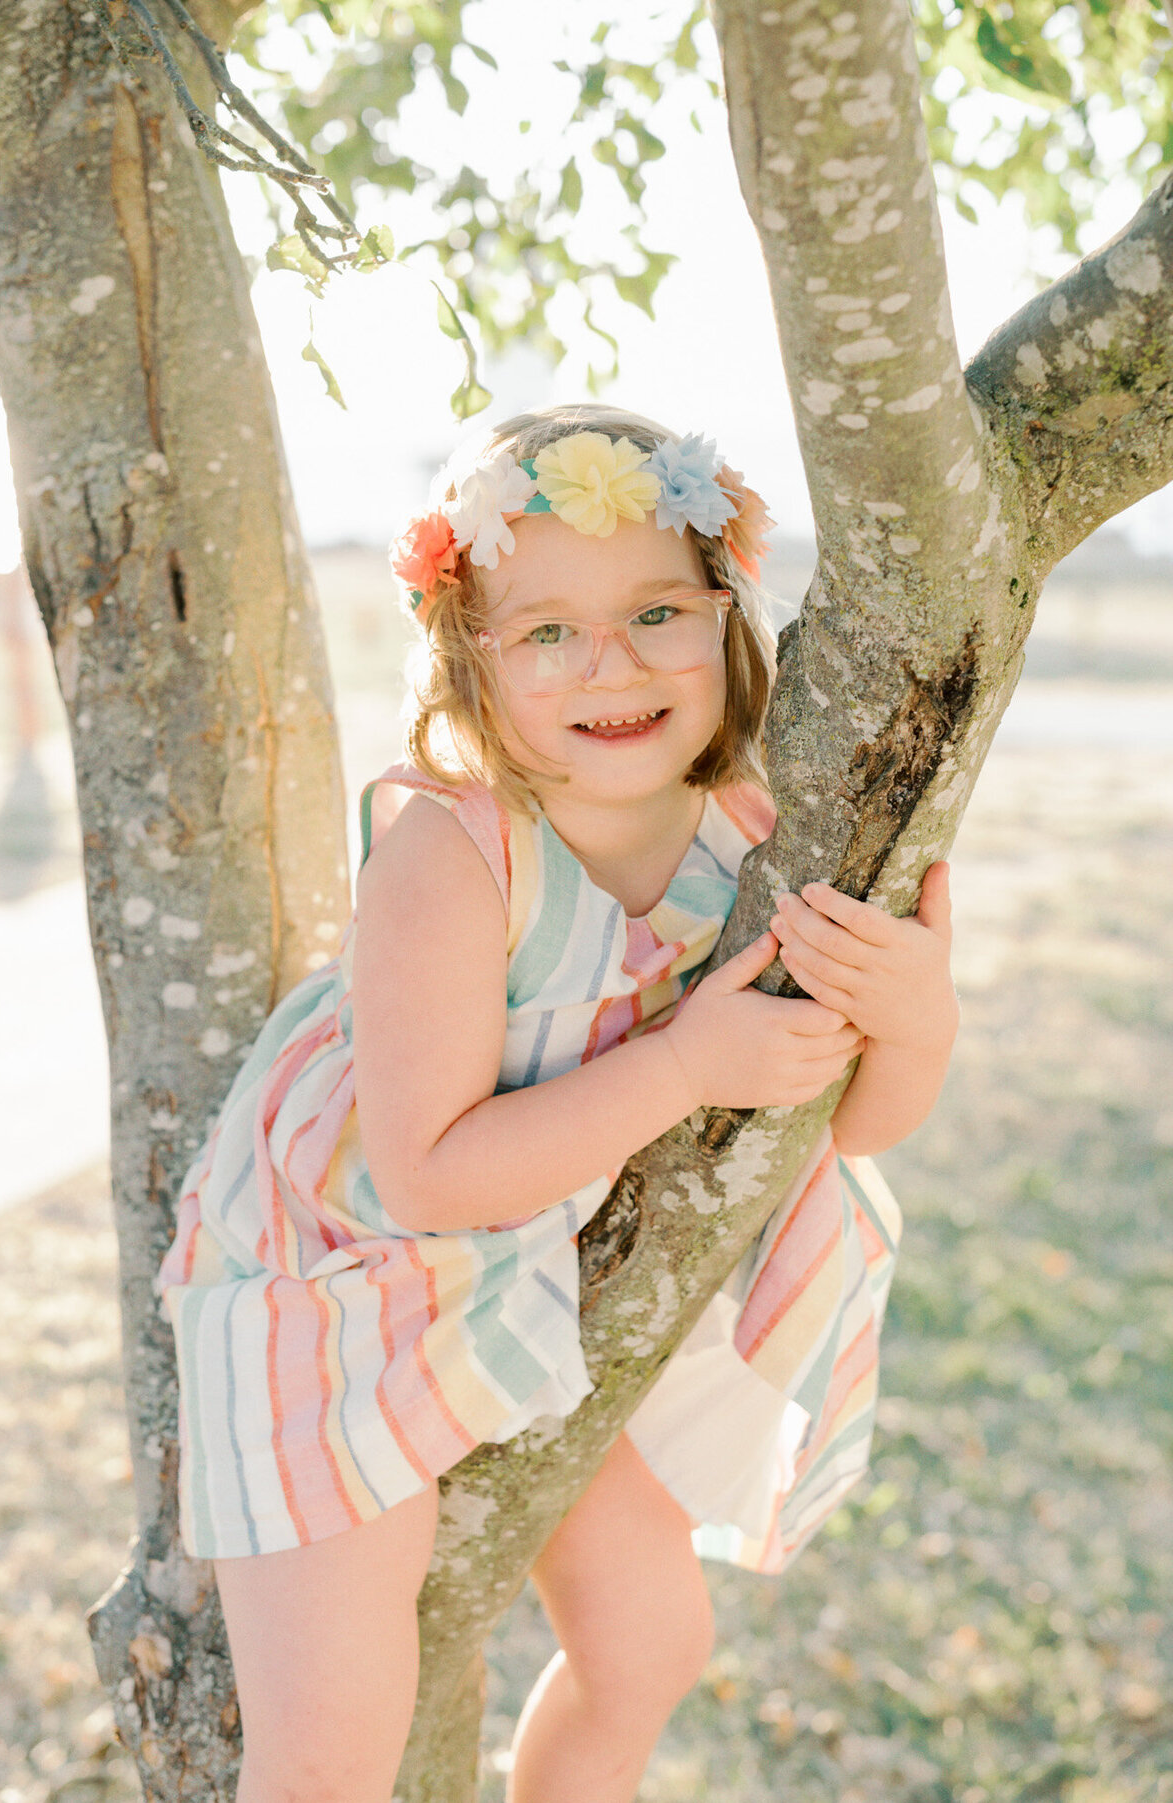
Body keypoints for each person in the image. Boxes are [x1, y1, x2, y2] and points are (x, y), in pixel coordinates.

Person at [158, 403, 959, 1803]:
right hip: (342, 1287)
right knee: (331, 1752)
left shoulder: (763, 838)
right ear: (471, 654)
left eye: (658, 610)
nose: (611, 664)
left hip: (551, 1265)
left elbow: (850, 1126)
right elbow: (425, 1176)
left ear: (728, 619)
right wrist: (681, 1070)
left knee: (653, 1641)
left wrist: (918, 1012)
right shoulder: (452, 856)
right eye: (546, 632)